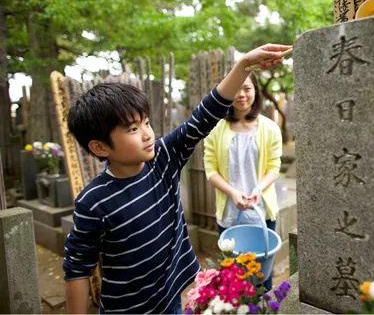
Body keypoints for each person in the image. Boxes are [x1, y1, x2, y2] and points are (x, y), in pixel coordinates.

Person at [62, 43, 292, 314]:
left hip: (171, 298)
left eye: (146, 122)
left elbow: (204, 116)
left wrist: (243, 66)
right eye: (133, 129)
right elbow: (77, 267)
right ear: (100, 147)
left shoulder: (163, 159)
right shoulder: (94, 201)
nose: (148, 133)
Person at [203, 71, 283, 292]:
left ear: (255, 92)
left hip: (261, 213)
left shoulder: (269, 128)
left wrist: (258, 189)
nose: (241, 94)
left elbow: (273, 168)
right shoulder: (216, 129)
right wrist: (232, 192)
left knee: (262, 278)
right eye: (235, 88)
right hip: (229, 213)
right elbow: (210, 170)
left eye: (247, 88)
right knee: (233, 277)